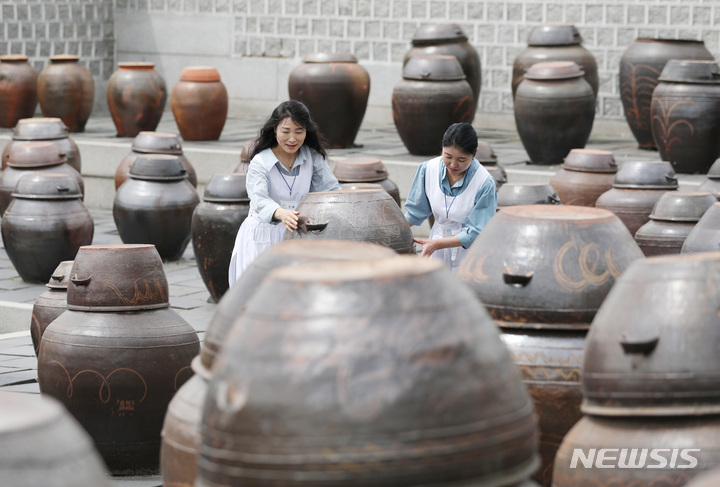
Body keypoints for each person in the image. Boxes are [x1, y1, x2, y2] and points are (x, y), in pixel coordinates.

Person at [228, 100, 341, 285]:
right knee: (259, 297)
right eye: (286, 131)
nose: (292, 139)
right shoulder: (260, 162)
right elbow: (259, 199)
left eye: (299, 131)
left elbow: (331, 190)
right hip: (263, 236)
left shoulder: (311, 157)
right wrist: (280, 213)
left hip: (296, 233)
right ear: (274, 129)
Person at [404, 123, 497, 272]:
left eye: (462, 159)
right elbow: (415, 212)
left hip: (467, 250)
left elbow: (476, 231)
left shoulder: (484, 183)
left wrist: (437, 244)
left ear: (474, 154)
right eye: (447, 156)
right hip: (435, 243)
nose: (453, 164)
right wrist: (391, 231)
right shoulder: (428, 169)